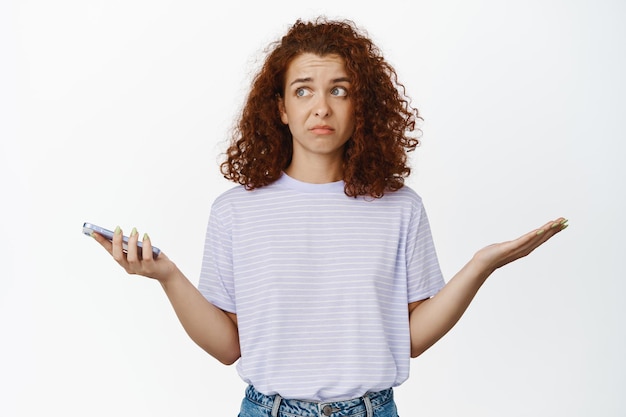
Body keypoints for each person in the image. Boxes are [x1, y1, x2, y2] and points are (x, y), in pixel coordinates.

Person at [91, 17, 567, 417]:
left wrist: (482, 264)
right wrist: (166, 276)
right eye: (303, 91)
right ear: (279, 108)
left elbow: (413, 339)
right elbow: (228, 347)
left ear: (361, 105)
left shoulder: (401, 207)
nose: (321, 106)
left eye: (339, 90)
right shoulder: (236, 211)